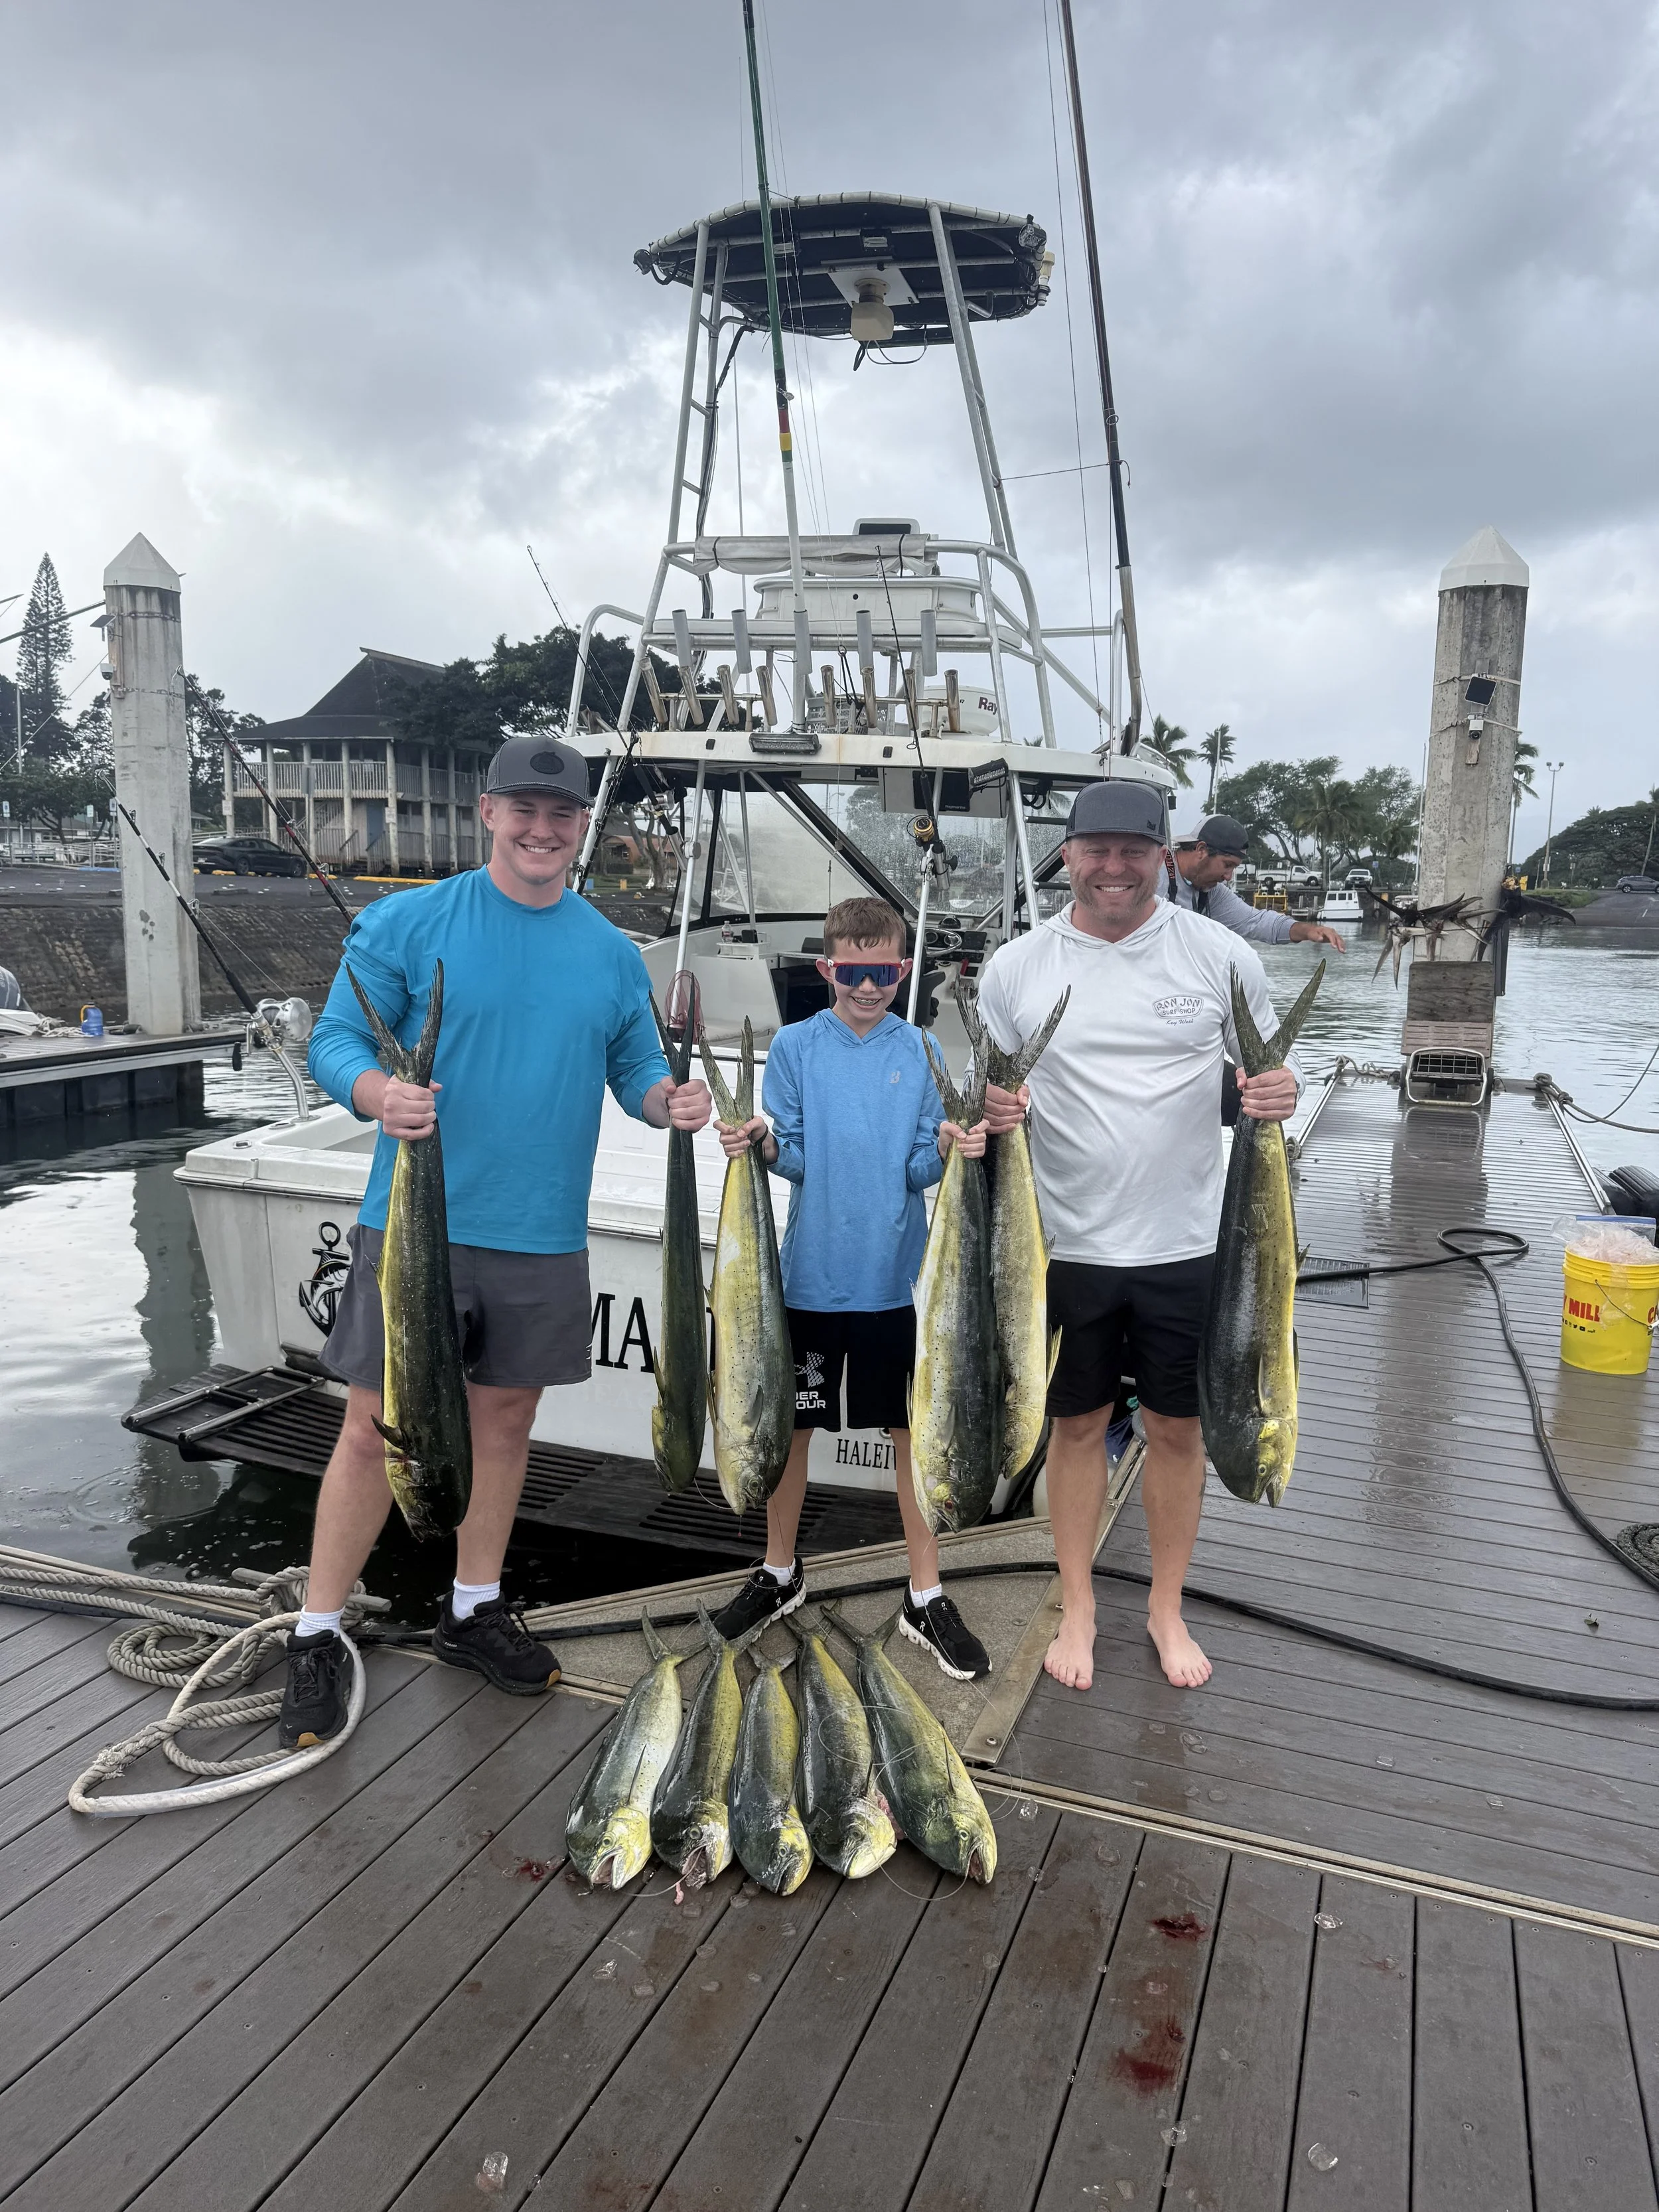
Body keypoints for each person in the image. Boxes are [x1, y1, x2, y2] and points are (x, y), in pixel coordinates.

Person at [280, 734, 713, 1748]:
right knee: (369, 1426)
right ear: (487, 812)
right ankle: (315, 1625)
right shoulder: (404, 921)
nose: (541, 830)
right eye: (524, 810)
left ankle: (473, 1604)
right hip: (415, 1225)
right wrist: (378, 1092)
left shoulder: (610, 952)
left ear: (582, 831)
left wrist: (672, 1099)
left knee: (505, 1424)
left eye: (561, 816)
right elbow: (334, 1040)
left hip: (542, 1231)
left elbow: (636, 1070)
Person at [977, 780, 1301, 1695]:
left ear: (1163, 854)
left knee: (1177, 1430)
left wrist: (1280, 1094)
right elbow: (984, 1102)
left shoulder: (1222, 955)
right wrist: (988, 1113)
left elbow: (1270, 1079)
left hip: (1190, 1244)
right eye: (1096, 849)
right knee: (1073, 1428)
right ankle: (1077, 1599)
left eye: (1134, 849)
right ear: (1068, 855)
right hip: (1063, 1244)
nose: (1113, 867)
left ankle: (1165, 1604)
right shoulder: (1017, 967)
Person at [707, 895, 992, 1680]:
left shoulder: (925, 1049)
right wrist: (762, 1145)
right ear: (828, 970)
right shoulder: (795, 1048)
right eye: (853, 973)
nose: (868, 988)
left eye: (884, 974)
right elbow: (792, 1155)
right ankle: (777, 1571)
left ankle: (925, 1592)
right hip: (803, 1284)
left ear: (903, 972)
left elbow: (917, 1171)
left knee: (913, 1438)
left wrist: (947, 1148)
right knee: (787, 1433)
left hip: (899, 1290)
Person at [1169, 814, 1347, 953]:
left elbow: (1255, 922)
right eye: (1227, 865)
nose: (1229, 877)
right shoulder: (1155, 877)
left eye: (1234, 868)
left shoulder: (1211, 892)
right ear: (1201, 850)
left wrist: (1308, 931)